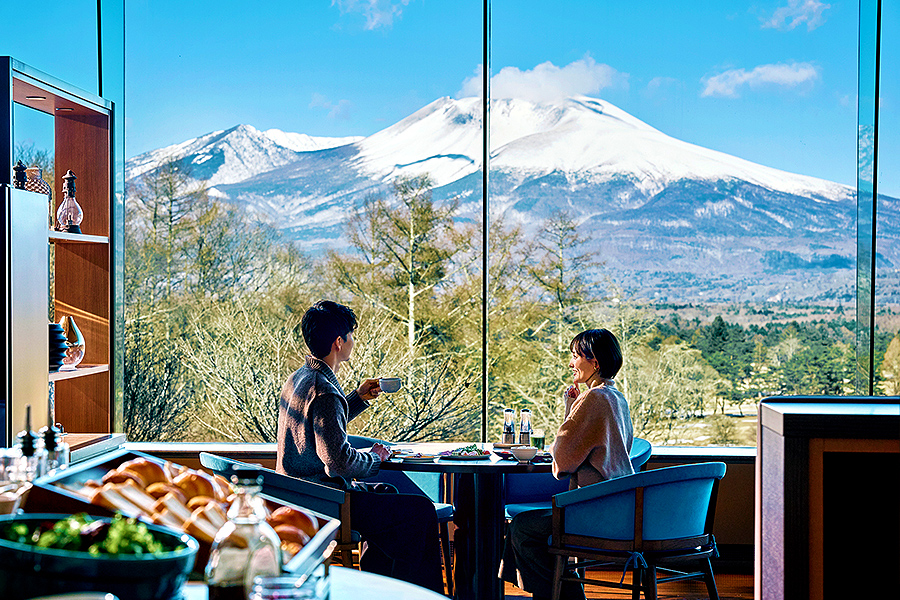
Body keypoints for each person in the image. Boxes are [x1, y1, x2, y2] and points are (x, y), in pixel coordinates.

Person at [276, 300, 443, 593]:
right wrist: (374, 457)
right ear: (339, 342)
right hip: (328, 503)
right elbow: (337, 462)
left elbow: (319, 426)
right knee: (420, 511)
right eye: (351, 335)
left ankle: (381, 589)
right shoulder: (325, 390)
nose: (353, 340)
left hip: (301, 496)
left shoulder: (299, 378)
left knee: (389, 497)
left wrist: (357, 398)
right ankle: (415, 594)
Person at [499, 328, 635, 600]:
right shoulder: (616, 397)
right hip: (618, 507)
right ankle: (566, 594)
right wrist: (572, 408)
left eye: (575, 357)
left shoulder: (593, 398)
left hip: (593, 512)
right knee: (526, 526)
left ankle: (561, 596)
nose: (571, 363)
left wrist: (572, 409)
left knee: (522, 528)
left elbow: (561, 462)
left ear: (594, 362)